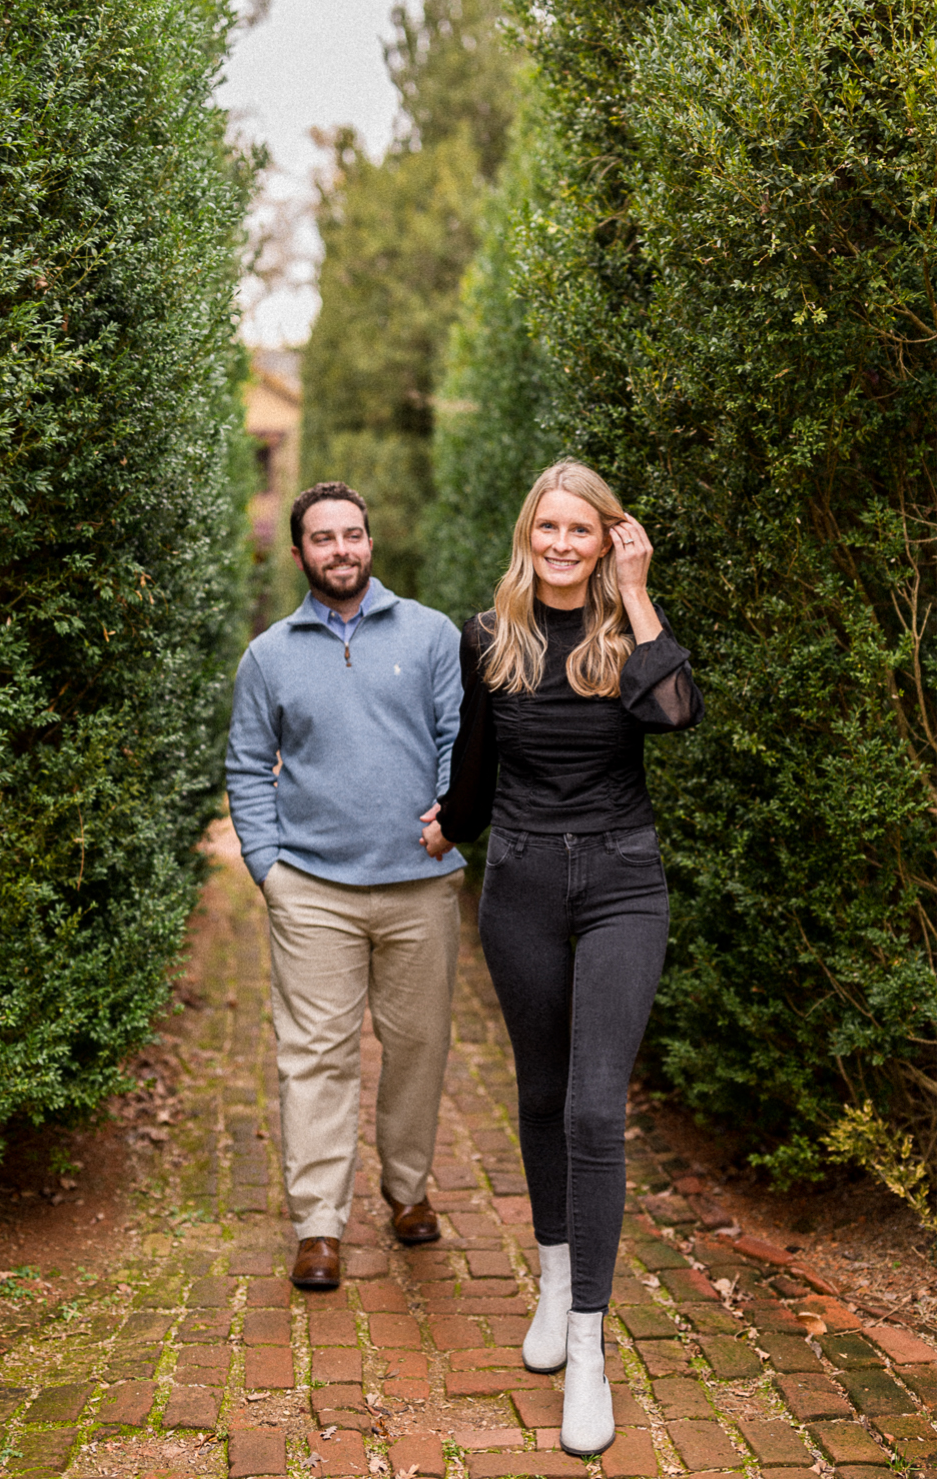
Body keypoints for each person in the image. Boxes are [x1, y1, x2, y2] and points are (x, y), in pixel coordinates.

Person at [421, 459, 703, 1456]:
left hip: (624, 883)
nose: (560, 544)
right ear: (526, 532)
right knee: (539, 1097)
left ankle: (587, 1345)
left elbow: (675, 715)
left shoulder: (630, 634)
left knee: (593, 1108)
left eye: (581, 530)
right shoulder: (491, 636)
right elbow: (480, 761)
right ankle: (552, 1280)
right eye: (548, 527)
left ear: (608, 538)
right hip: (524, 886)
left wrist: (636, 593)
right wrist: (452, 826)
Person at [226, 481, 466, 1291]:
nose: (341, 550)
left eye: (353, 535)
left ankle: (407, 1191)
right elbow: (248, 768)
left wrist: (448, 819)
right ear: (299, 554)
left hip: (421, 883)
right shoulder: (269, 655)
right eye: (323, 538)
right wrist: (270, 870)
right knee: (314, 1058)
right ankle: (318, 1225)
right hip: (313, 889)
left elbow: (456, 738)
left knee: (419, 1048)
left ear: (372, 543)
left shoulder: (432, 635)